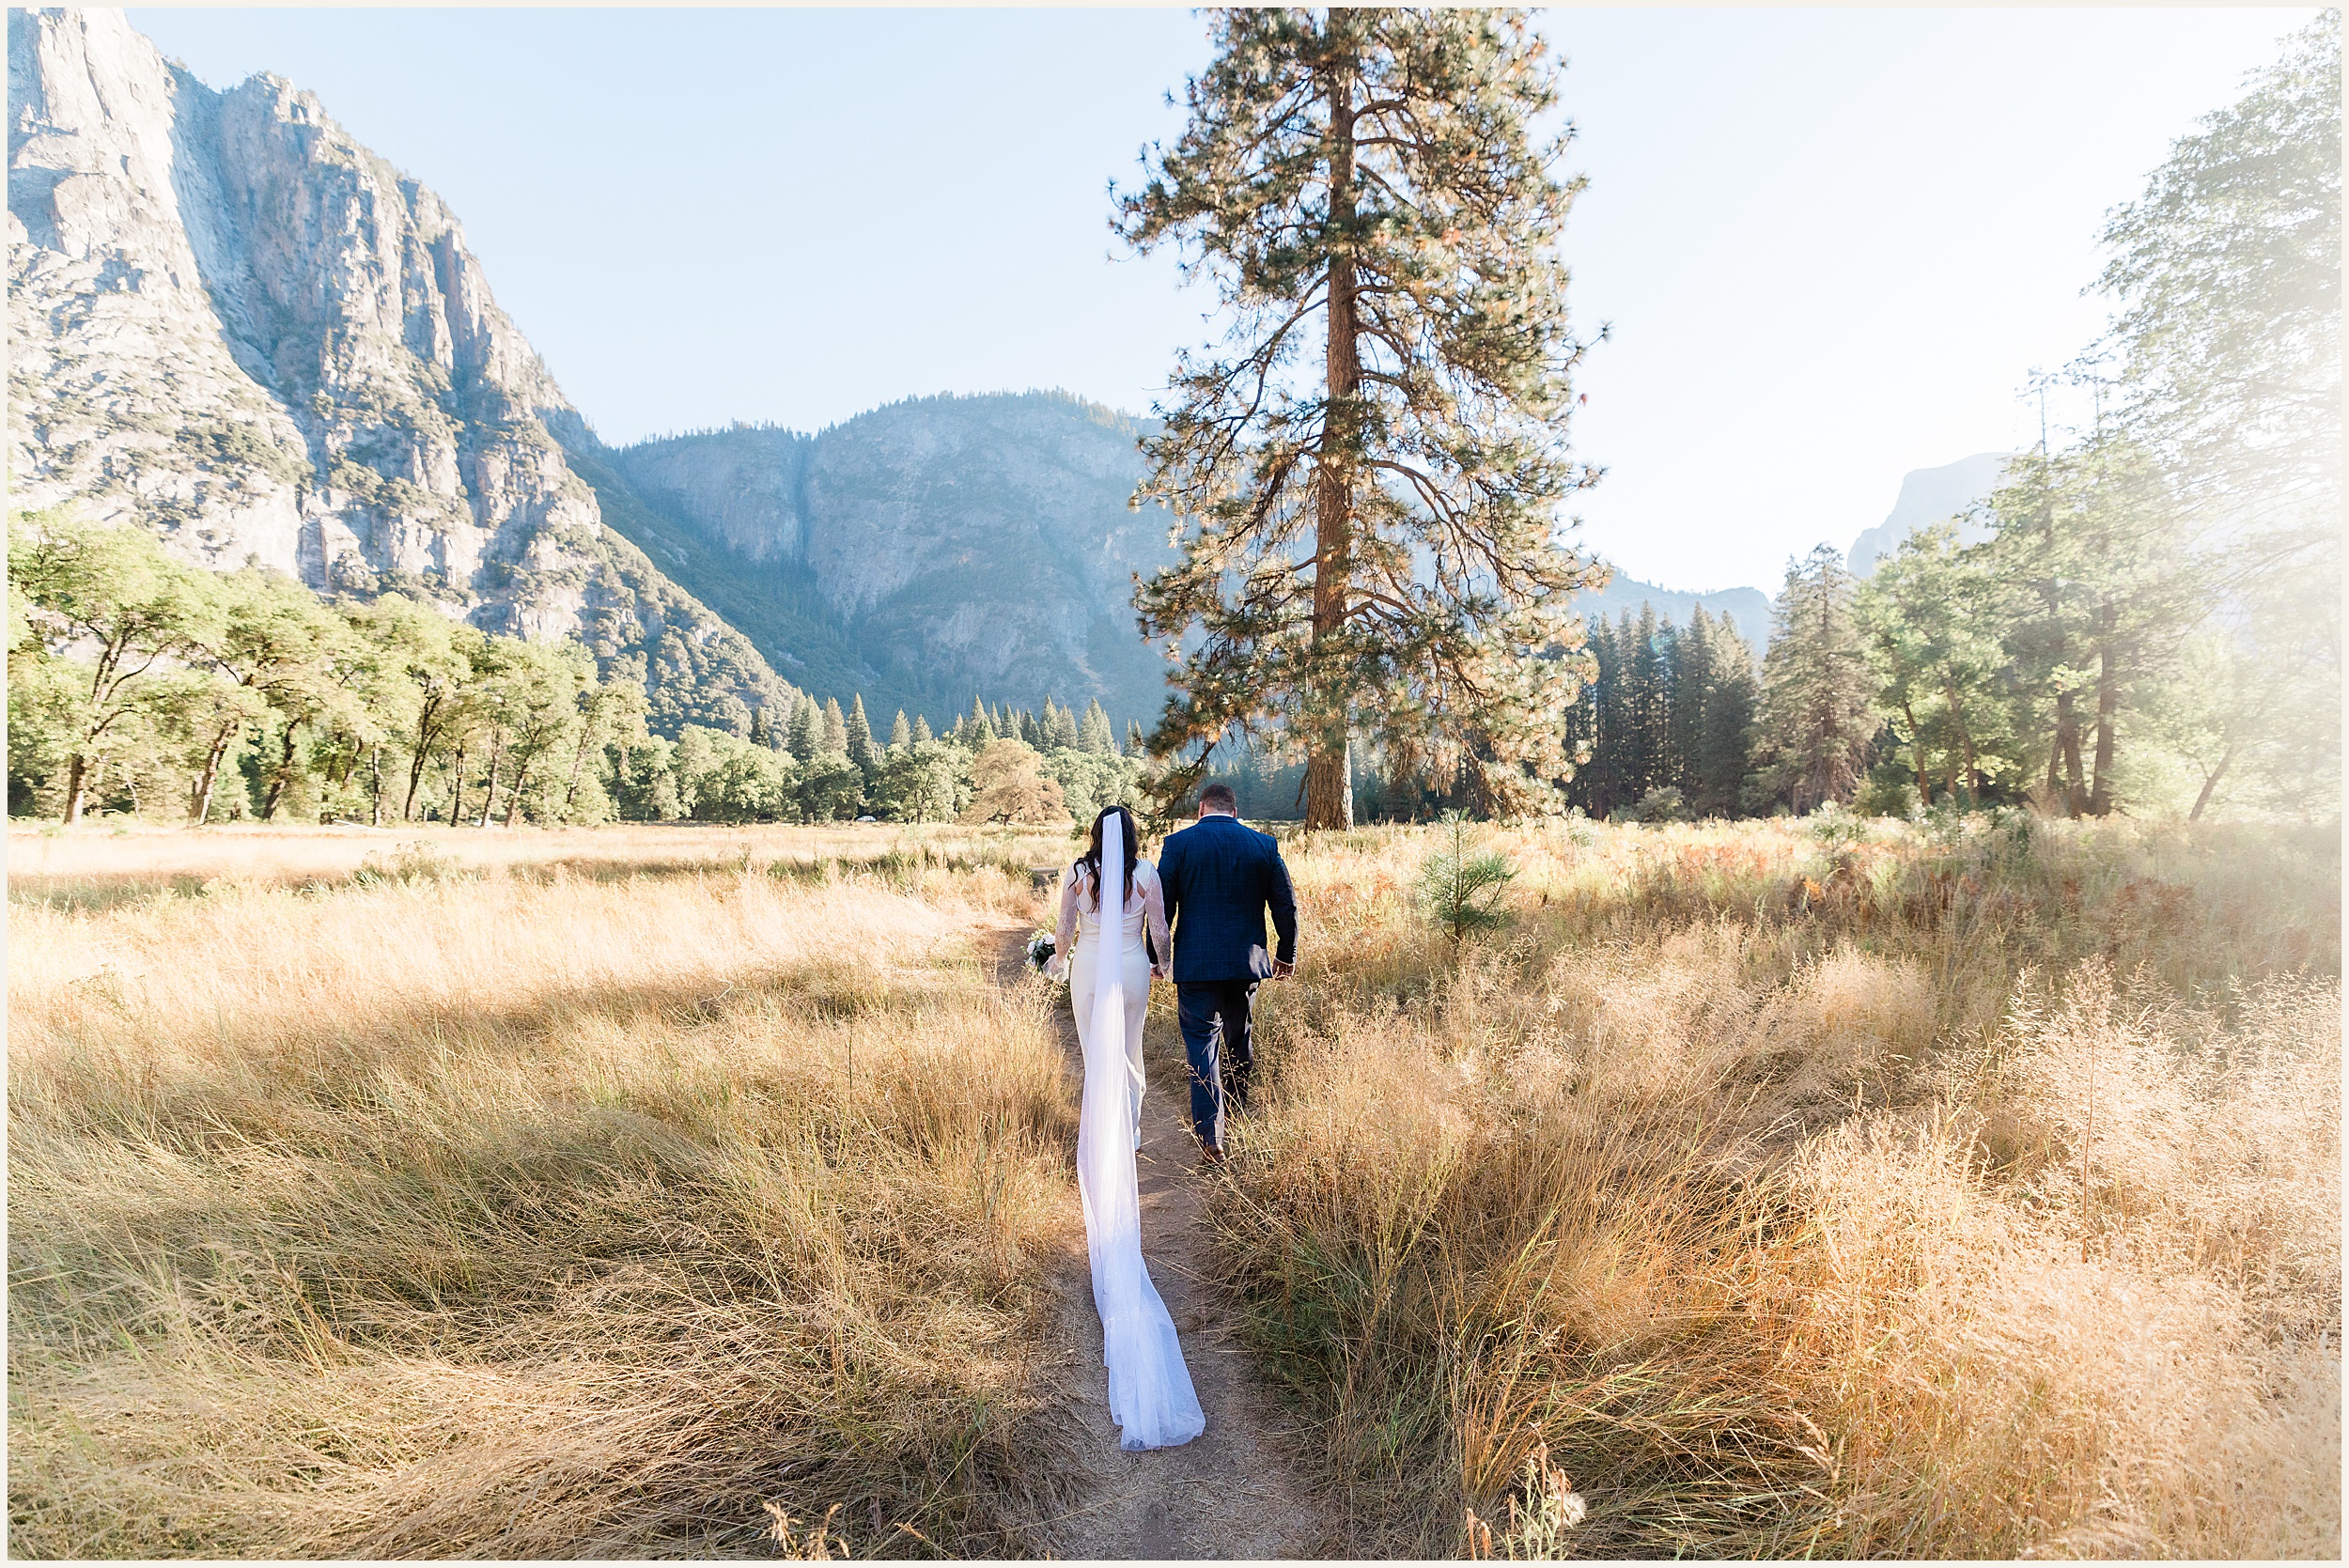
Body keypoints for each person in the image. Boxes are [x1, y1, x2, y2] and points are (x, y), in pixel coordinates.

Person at [1046, 804, 1206, 1452]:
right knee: (1133, 1054)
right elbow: (1160, 932)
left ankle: (1104, 1130)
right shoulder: (1144, 872)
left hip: (1089, 969)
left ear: (1094, 836)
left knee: (1095, 1056)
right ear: (1135, 837)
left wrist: (1057, 960)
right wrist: (1162, 963)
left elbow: (1062, 932)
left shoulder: (1080, 874)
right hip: (1133, 971)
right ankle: (1131, 1128)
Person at [1154, 781, 1299, 1161]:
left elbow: (1162, 909)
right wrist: (1286, 953)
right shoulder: (1263, 845)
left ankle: (1211, 1135)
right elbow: (1286, 905)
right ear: (1234, 811)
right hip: (1244, 964)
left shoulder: (1178, 845)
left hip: (1196, 965)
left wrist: (1158, 957)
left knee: (1202, 1046)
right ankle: (1236, 1119)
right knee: (1239, 1041)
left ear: (1201, 808)